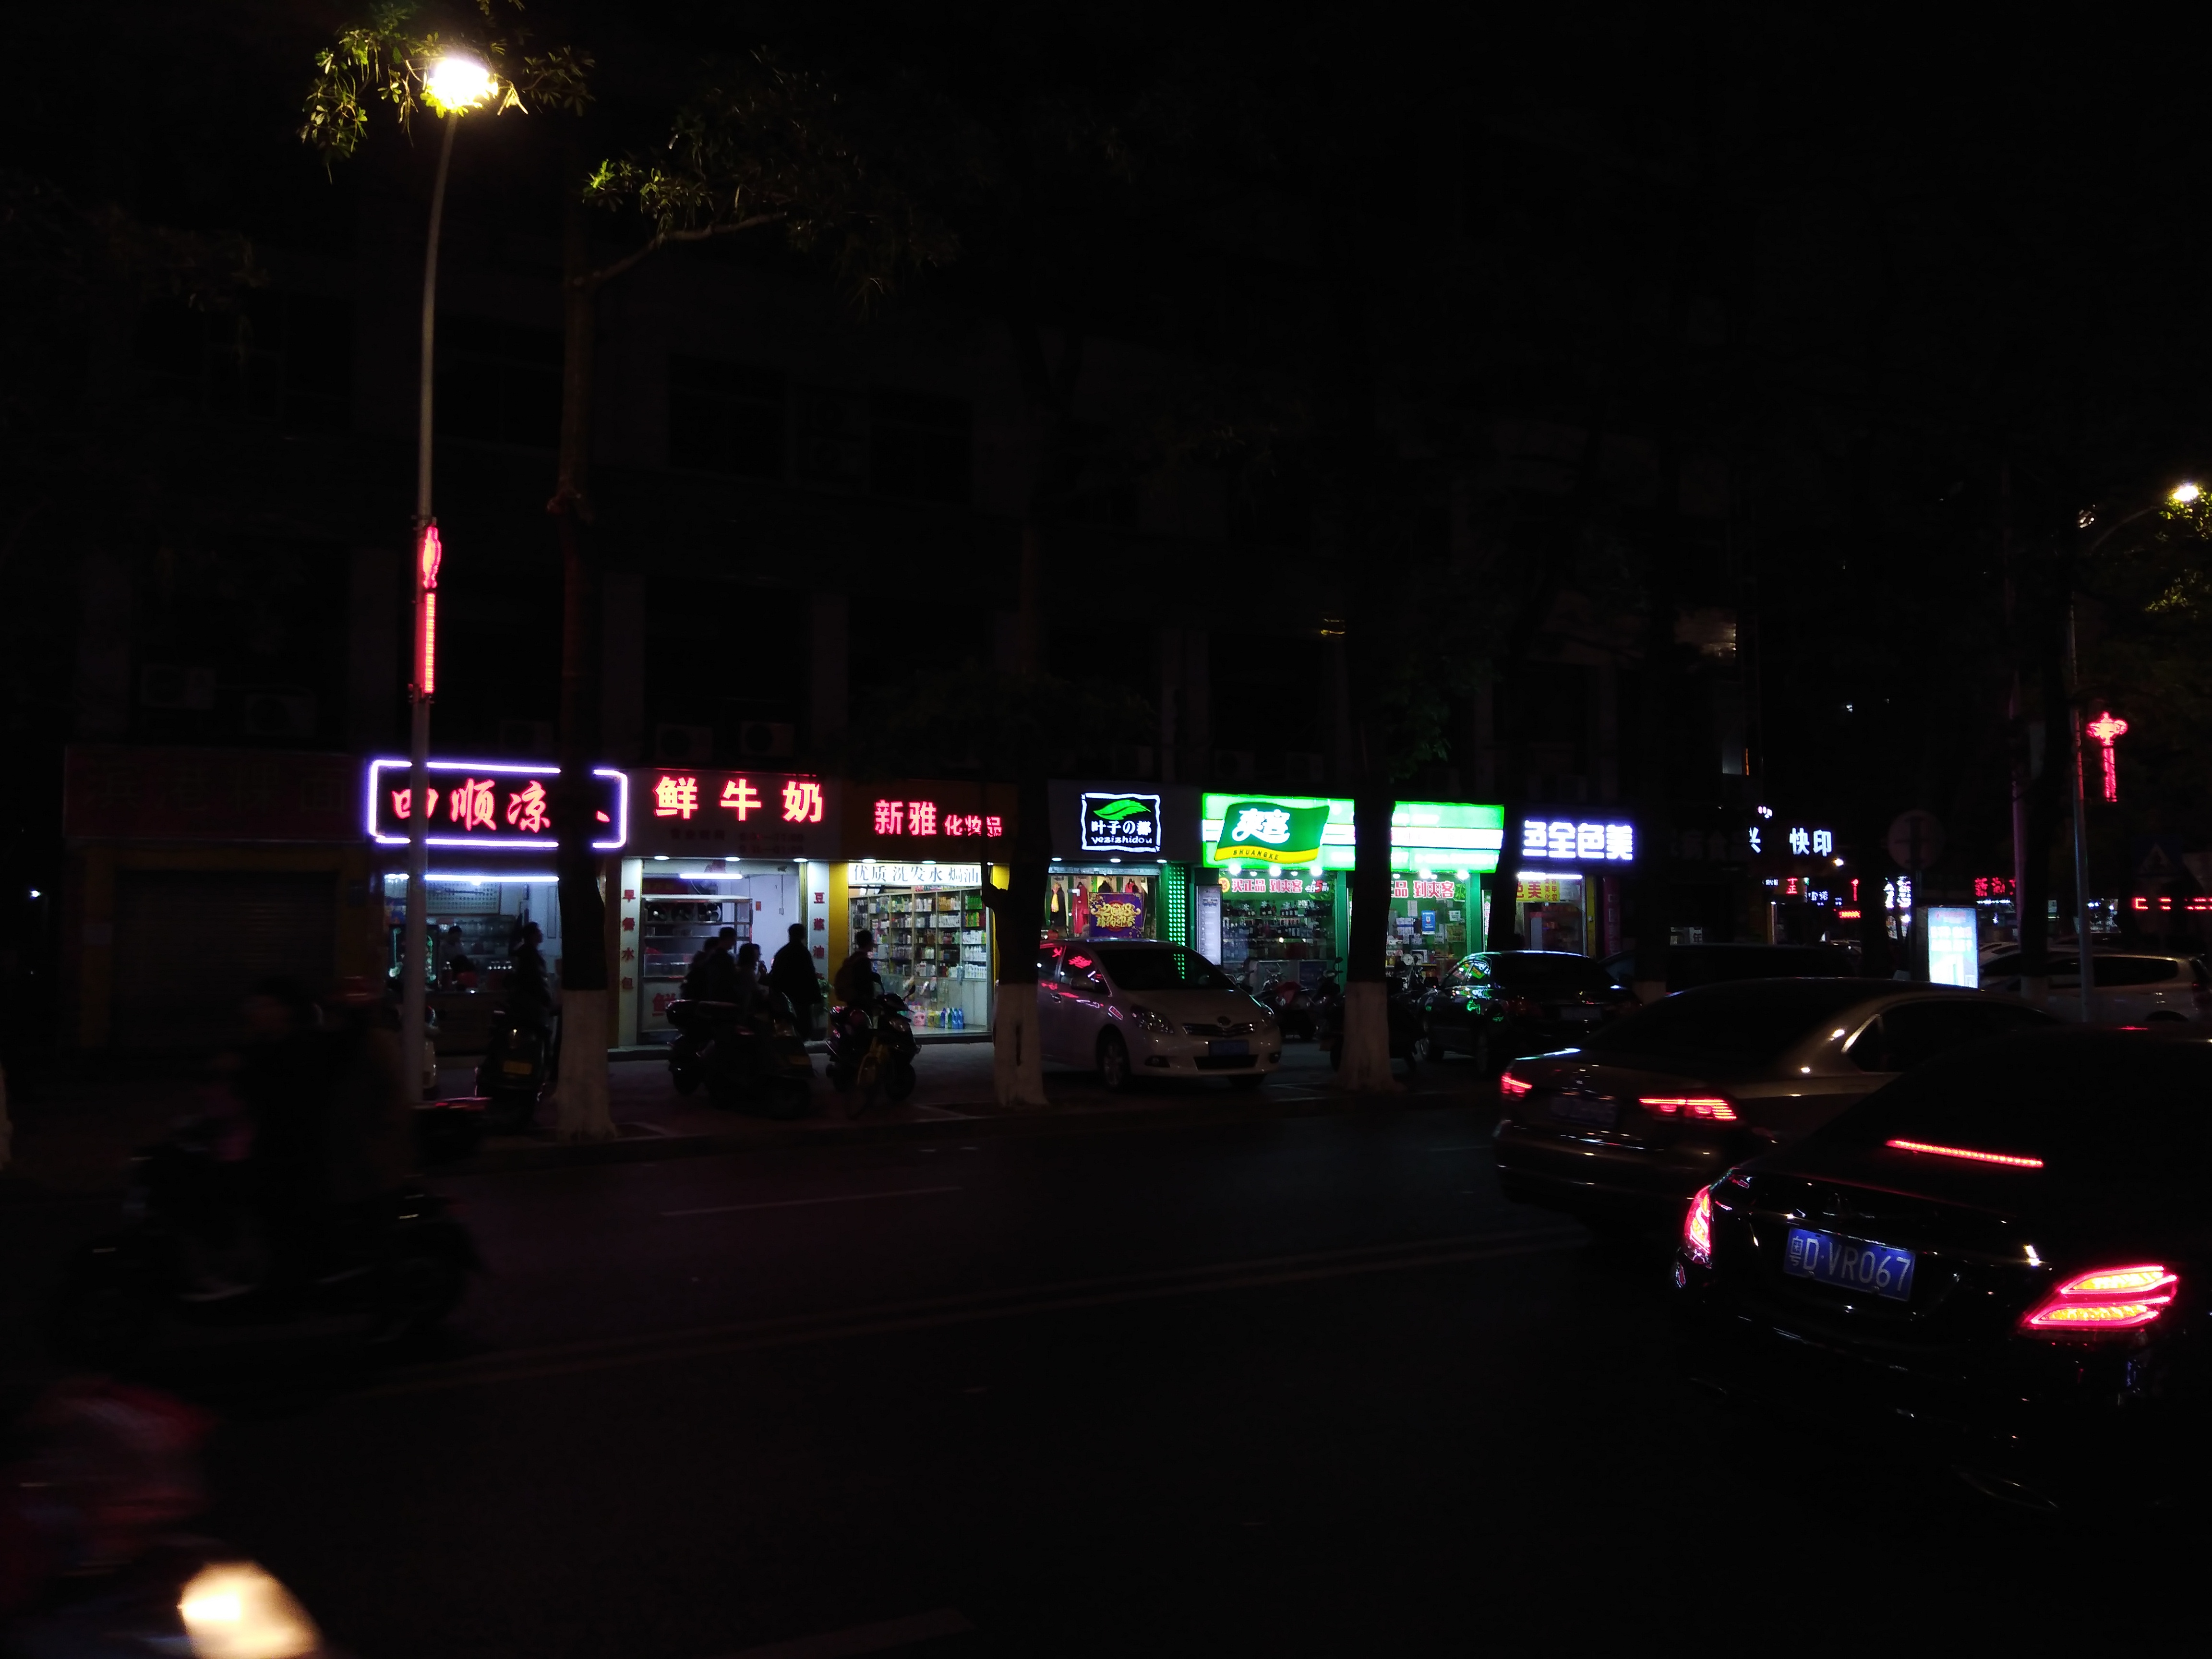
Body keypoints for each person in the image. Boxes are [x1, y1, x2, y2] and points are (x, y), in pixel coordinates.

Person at [769, 922, 823, 1035]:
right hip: (802, 996)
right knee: (804, 1026)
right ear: (803, 935)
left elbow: (775, 975)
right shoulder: (803, 952)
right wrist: (816, 996)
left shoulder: (783, 953)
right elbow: (810, 975)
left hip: (785, 996)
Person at [508, 922, 553, 1028]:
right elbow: (536, 979)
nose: (541, 934)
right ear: (532, 935)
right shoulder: (530, 954)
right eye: (538, 932)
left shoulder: (525, 952)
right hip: (532, 1002)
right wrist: (546, 999)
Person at [685, 926, 742, 1002]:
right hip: (721, 998)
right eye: (734, 940)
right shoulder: (725, 958)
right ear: (729, 939)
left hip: (707, 997)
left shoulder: (709, 957)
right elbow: (730, 980)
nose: (734, 943)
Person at [833, 928, 882, 1011]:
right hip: (861, 1002)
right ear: (869, 942)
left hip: (852, 999)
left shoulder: (853, 958)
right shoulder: (864, 960)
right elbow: (864, 983)